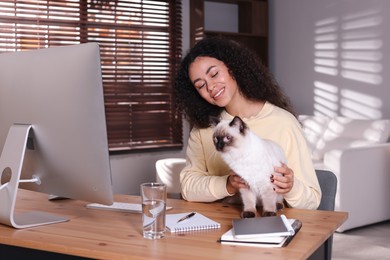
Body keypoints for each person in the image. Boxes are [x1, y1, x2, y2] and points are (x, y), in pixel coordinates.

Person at [174, 37, 321, 210]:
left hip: (275, 225)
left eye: (214, 74)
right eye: (200, 85)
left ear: (232, 67)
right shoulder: (205, 129)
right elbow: (188, 188)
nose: (211, 86)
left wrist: (291, 187)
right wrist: (228, 185)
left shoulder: (284, 123)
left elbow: (312, 200)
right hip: (217, 226)